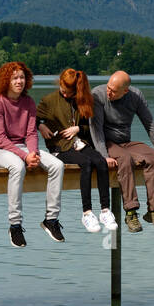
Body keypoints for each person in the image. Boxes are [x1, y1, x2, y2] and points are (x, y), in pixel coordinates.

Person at [0, 62, 65, 246]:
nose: (19, 81)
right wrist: (25, 157)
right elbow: (0, 138)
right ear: (6, 80)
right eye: (15, 78)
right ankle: (15, 225)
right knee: (17, 166)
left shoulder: (28, 102)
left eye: (22, 77)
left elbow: (30, 133)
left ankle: (51, 220)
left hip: (23, 147)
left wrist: (34, 153)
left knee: (57, 165)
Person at [37, 68, 117, 235]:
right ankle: (87, 212)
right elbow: (34, 118)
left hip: (80, 143)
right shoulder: (48, 100)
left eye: (69, 93)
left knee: (101, 162)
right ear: (60, 83)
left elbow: (92, 128)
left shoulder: (83, 100)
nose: (65, 95)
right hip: (59, 147)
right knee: (86, 163)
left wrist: (78, 128)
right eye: (63, 91)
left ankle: (105, 211)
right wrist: (40, 125)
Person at [90, 70, 154, 232]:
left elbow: (149, 123)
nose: (109, 92)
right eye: (108, 87)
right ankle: (131, 212)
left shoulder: (136, 96)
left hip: (125, 142)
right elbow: (96, 129)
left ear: (125, 91)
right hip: (105, 143)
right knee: (125, 159)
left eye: (113, 91)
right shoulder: (97, 95)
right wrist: (104, 156)